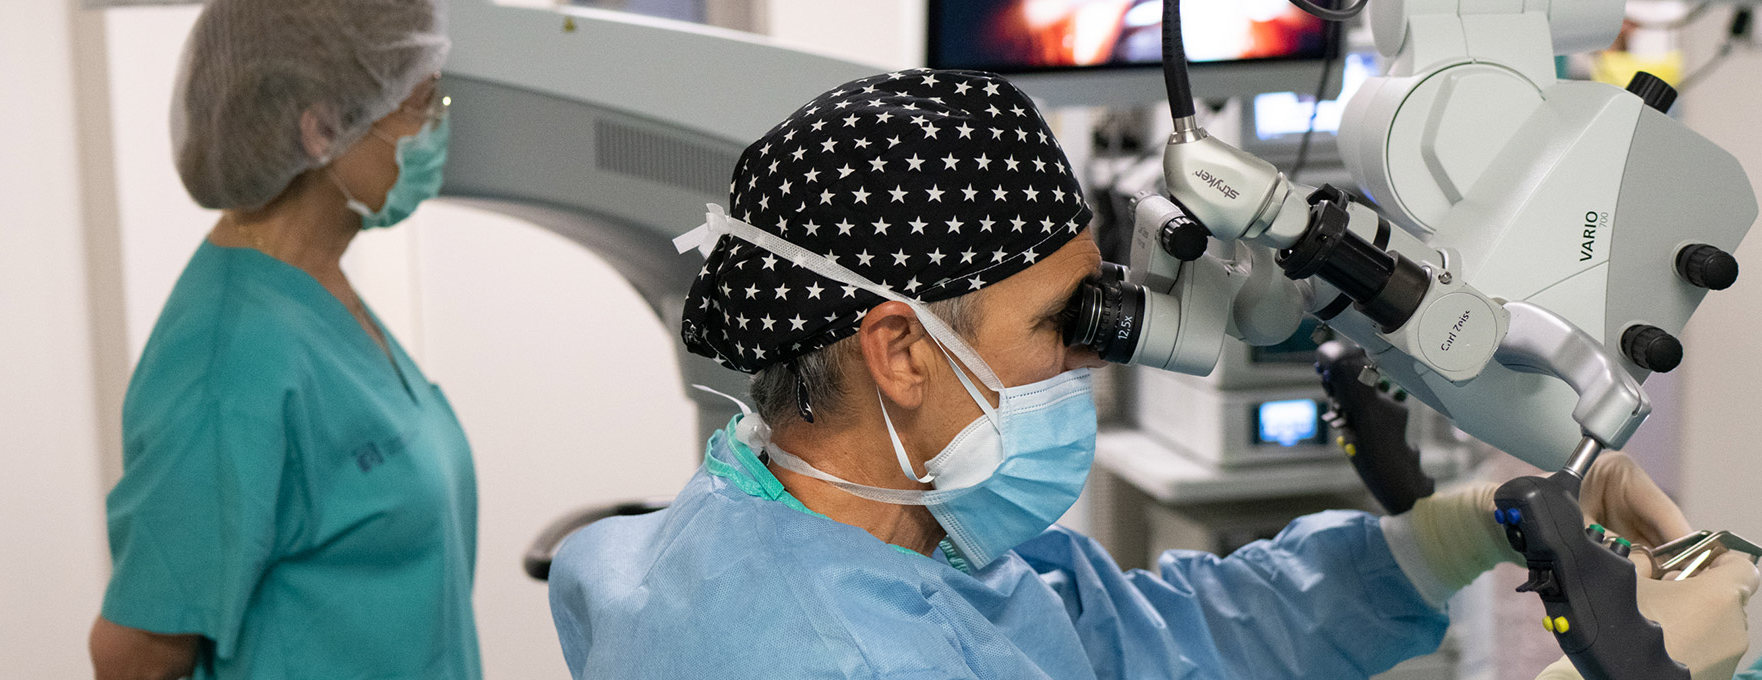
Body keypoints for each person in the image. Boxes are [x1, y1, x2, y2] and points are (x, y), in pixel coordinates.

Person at [549, 69, 1755, 679]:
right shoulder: (834, 654)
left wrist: (1459, 529)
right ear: (902, 347)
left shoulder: (875, 536)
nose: (1087, 352)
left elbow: (1167, 640)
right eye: (1055, 320)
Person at [88, 1, 478, 678]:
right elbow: (132, 657)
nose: (435, 129)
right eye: (419, 105)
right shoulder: (228, 363)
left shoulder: (318, 292)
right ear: (323, 128)